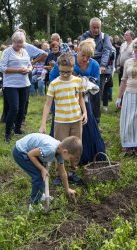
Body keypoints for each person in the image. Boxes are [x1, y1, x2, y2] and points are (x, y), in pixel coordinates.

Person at [49, 38, 106, 167]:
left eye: (89, 56)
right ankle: (62, 157)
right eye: (83, 55)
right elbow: (52, 77)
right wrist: (69, 80)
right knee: (63, 128)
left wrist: (86, 82)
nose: (85, 59)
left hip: (83, 100)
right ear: (78, 51)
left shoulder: (95, 65)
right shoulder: (68, 60)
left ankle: (82, 156)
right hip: (65, 100)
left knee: (85, 124)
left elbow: (96, 84)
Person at [39, 53, 87, 185]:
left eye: (68, 72)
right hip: (61, 121)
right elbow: (48, 104)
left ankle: (73, 171)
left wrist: (85, 112)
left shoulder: (78, 81)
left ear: (73, 68)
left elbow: (81, 98)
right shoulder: (54, 84)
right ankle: (60, 173)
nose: (65, 74)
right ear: (58, 68)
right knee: (60, 147)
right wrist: (43, 124)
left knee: (76, 146)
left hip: (76, 120)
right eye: (62, 72)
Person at [12, 133, 80, 208]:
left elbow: (63, 173)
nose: (70, 160)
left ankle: (39, 194)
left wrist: (67, 189)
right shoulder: (50, 149)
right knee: (38, 176)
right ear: (65, 152)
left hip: (31, 151)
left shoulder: (60, 151)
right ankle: (34, 204)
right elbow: (30, 154)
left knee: (41, 174)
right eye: (70, 158)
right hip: (20, 152)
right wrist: (42, 169)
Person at [0, 31, 32, 143]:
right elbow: (2, 67)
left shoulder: (25, 52)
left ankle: (17, 129)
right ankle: (8, 133)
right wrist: (18, 70)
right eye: (17, 42)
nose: (19, 44)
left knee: (22, 109)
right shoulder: (7, 52)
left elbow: (29, 64)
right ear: (13, 41)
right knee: (14, 108)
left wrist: (29, 69)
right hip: (11, 85)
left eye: (21, 42)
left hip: (25, 84)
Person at [80, 17, 113, 123]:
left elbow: (107, 51)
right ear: (90, 27)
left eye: (98, 27)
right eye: (93, 27)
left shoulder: (105, 37)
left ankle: (96, 119)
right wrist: (94, 55)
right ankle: (83, 115)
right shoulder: (84, 36)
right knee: (83, 92)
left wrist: (102, 65)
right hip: (86, 65)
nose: (95, 30)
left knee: (97, 93)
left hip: (100, 69)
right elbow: (82, 49)